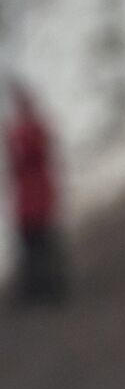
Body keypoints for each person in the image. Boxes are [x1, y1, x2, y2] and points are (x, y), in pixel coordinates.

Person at [5, 82, 66, 305]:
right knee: (33, 246)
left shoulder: (32, 131)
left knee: (42, 245)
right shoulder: (25, 131)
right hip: (28, 200)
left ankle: (51, 287)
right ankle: (37, 288)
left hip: (37, 199)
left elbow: (27, 156)